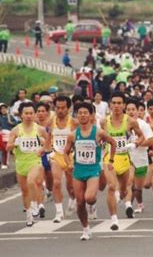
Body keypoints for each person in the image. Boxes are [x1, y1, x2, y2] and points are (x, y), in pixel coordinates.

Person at [63, 102, 116, 241]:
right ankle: (86, 229)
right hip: (79, 170)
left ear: (92, 115)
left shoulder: (98, 132)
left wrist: (110, 160)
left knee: (89, 198)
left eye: (85, 112)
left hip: (93, 169)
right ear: (76, 115)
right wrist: (69, 163)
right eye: (79, 113)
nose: (82, 115)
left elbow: (113, 142)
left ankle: (93, 203)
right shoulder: (73, 135)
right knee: (80, 202)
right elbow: (66, 152)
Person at [100, 92, 146, 225]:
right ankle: (114, 219)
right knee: (111, 187)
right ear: (110, 105)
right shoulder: (104, 121)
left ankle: (123, 198)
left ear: (124, 105)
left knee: (125, 190)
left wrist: (135, 143)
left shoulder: (130, 121)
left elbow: (141, 136)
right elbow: (100, 137)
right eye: (114, 103)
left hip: (125, 158)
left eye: (119, 103)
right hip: (110, 158)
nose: (116, 106)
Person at [6, 102, 50, 226]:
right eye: (26, 113)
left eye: (31, 113)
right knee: (25, 191)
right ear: (21, 115)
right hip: (21, 163)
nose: (29, 116)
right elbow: (8, 148)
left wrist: (43, 144)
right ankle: (29, 216)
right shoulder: (16, 130)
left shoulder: (39, 129)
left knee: (32, 181)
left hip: (35, 161)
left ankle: (36, 204)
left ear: (34, 114)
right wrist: (15, 143)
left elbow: (49, 144)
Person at [49, 95, 78, 223]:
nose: (60, 110)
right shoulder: (51, 121)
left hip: (70, 156)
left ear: (68, 108)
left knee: (71, 187)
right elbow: (48, 137)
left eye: (63, 108)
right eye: (58, 108)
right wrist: (43, 149)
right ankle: (59, 212)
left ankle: (73, 199)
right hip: (56, 155)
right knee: (56, 182)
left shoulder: (74, 122)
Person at [0, 103, 17, 169]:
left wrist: (11, 123)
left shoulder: (10, 116)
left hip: (8, 133)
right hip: (0, 134)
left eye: (4, 108)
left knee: (6, 148)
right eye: (2, 109)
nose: (3, 110)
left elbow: (16, 123)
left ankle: (5, 163)